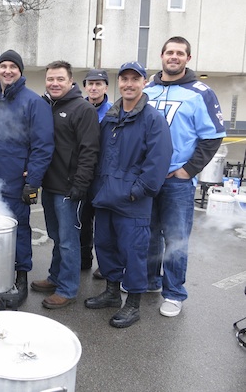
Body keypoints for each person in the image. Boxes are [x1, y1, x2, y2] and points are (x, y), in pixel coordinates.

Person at [85, 61, 172, 328]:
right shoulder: (110, 117)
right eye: (125, 79)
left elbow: (158, 161)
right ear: (119, 83)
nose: (129, 84)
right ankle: (112, 292)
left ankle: (133, 303)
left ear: (144, 83)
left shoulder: (153, 120)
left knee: (134, 252)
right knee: (106, 246)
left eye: (135, 79)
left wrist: (138, 191)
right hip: (106, 196)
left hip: (133, 202)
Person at [144, 36, 226, 317]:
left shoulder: (201, 92)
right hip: (148, 179)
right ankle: (150, 281)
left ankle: (174, 292)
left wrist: (188, 169)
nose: (174, 57)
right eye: (169, 52)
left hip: (177, 181)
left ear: (188, 58)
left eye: (180, 53)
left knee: (176, 238)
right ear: (162, 55)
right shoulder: (148, 89)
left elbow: (213, 137)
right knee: (150, 234)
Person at [0, 49, 54, 305]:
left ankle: (20, 274)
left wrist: (33, 183)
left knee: (18, 229)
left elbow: (43, 146)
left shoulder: (34, 103)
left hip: (14, 181)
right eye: (3, 66)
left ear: (20, 71)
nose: (7, 70)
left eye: (13, 66)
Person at [31, 61, 100, 309]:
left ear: (70, 81)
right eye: (50, 79)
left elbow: (89, 151)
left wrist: (80, 185)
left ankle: (68, 289)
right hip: (50, 185)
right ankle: (55, 276)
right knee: (56, 236)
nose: (54, 83)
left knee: (69, 240)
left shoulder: (83, 110)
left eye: (60, 79)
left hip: (70, 189)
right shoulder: (47, 106)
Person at [81, 69, 113, 275]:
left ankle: (105, 266)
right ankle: (84, 260)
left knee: (104, 226)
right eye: (90, 84)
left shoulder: (113, 112)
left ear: (106, 87)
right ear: (85, 86)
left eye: (98, 84)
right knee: (82, 222)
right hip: (83, 175)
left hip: (103, 177)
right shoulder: (79, 108)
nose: (94, 88)